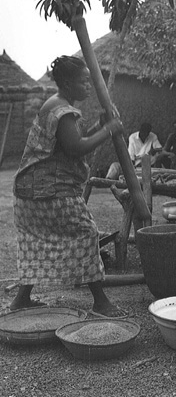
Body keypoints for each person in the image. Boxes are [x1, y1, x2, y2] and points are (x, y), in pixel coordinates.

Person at [10, 56, 127, 317]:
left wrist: (98, 125)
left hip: (31, 191)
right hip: (48, 191)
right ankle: (100, 302)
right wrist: (108, 129)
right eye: (83, 81)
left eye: (88, 81)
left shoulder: (58, 105)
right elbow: (75, 148)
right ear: (66, 83)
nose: (88, 86)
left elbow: (72, 140)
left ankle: (21, 299)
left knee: (34, 241)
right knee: (86, 233)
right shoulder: (62, 111)